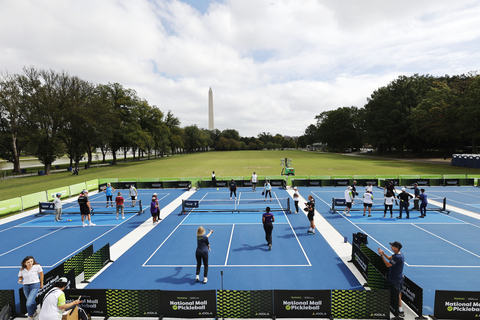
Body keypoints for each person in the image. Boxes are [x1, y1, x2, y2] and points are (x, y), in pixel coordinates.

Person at [378, 241, 405, 317]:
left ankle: (400, 311)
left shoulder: (398, 257)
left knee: (398, 293)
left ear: (396, 248)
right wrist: (383, 253)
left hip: (396, 278)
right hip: (396, 277)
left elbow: (387, 265)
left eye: (392, 246)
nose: (391, 247)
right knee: (397, 292)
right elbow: (390, 258)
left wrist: (381, 256)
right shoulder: (398, 254)